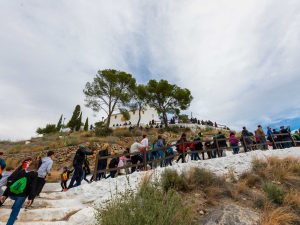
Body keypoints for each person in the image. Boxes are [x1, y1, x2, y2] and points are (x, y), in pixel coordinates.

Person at [0, 160, 37, 225]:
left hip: (12, 194)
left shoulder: (20, 171)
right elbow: (33, 187)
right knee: (15, 211)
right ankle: (10, 222)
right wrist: (31, 198)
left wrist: (5, 194)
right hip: (21, 195)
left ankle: (14, 214)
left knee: (16, 207)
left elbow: (11, 181)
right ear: (36, 167)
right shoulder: (34, 174)